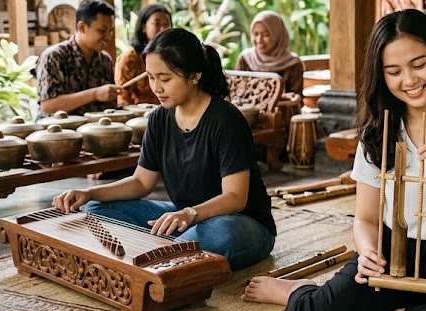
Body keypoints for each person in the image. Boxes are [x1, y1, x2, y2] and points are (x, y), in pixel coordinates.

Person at [243, 9, 426, 311]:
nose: (409, 80)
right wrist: (368, 251)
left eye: (418, 64)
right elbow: (367, 218)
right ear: (381, 74)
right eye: (394, 71)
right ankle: (296, 291)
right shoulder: (379, 129)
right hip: (392, 250)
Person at [52, 28, 277, 271]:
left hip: (239, 222)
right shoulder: (159, 118)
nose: (156, 88)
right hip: (185, 217)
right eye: (150, 77)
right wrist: (90, 194)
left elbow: (235, 198)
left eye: (165, 78)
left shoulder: (226, 120)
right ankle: (167, 253)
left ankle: (155, 255)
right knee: (97, 209)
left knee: (222, 233)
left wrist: (189, 214)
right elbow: (141, 183)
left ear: (194, 76)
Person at [36, 0, 121, 118]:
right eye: (102, 31)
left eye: (110, 31)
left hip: (96, 131)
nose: (108, 37)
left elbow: (110, 105)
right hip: (58, 133)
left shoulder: (105, 60)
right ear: (81, 27)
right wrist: (95, 94)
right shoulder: (54, 56)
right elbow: (48, 106)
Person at [236, 11, 304, 95]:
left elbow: (297, 100)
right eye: (255, 34)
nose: (259, 40)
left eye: (265, 35)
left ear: (277, 35)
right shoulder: (246, 59)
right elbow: (236, 93)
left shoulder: (293, 64)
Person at [116, 3, 172, 106]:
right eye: (157, 23)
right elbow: (122, 96)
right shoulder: (130, 58)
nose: (163, 29)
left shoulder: (174, 56)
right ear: (143, 27)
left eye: (167, 24)